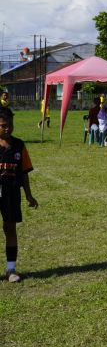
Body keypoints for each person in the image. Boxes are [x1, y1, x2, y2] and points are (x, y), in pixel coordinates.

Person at [0, 109, 38, 283]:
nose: (7, 129)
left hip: (11, 193)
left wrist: (29, 196)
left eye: (10, 125)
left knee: (10, 228)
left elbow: (24, 173)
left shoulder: (19, 145)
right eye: (3, 126)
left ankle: (11, 269)